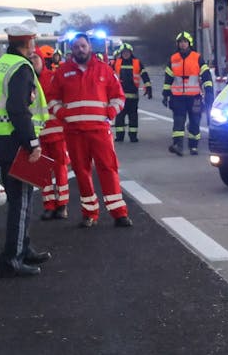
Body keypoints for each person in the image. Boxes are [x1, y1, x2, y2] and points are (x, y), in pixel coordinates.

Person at [0, 21, 52, 278]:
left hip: (0, 141)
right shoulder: (22, 69)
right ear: (29, 42)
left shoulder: (0, 65)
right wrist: (32, 143)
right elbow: (17, 110)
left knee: (19, 200)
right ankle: (12, 259)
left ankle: (23, 247)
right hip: (16, 143)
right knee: (21, 202)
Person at [48, 34, 132, 228]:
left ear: (89, 47)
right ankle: (89, 213)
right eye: (76, 46)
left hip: (99, 131)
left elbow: (119, 96)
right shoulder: (62, 72)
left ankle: (119, 213)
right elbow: (52, 98)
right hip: (74, 132)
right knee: (81, 172)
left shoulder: (104, 70)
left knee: (108, 169)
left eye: (83, 46)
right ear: (71, 49)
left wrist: (110, 112)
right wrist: (62, 114)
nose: (80, 49)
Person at [34, 46, 73, 220]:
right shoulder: (27, 80)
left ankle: (62, 205)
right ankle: (49, 205)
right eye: (30, 58)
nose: (33, 62)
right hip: (39, 134)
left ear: (42, 60)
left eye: (35, 58)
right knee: (43, 172)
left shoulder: (52, 77)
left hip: (56, 132)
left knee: (60, 169)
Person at [164, 32, 214, 156]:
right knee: (178, 122)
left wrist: (208, 92)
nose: (183, 44)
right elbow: (168, 78)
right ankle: (178, 146)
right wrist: (165, 94)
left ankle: (193, 146)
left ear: (189, 43)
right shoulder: (173, 58)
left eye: (185, 41)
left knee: (195, 121)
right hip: (178, 97)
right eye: (181, 42)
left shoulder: (197, 58)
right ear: (178, 44)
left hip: (195, 97)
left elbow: (206, 76)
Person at [110, 41, 152, 143]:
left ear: (131, 52)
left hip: (133, 95)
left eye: (127, 52)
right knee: (119, 117)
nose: (125, 54)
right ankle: (120, 136)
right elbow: (109, 77)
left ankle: (133, 136)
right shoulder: (115, 63)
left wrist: (148, 87)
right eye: (124, 52)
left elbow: (144, 75)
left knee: (133, 117)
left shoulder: (137, 63)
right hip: (119, 96)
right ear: (121, 53)